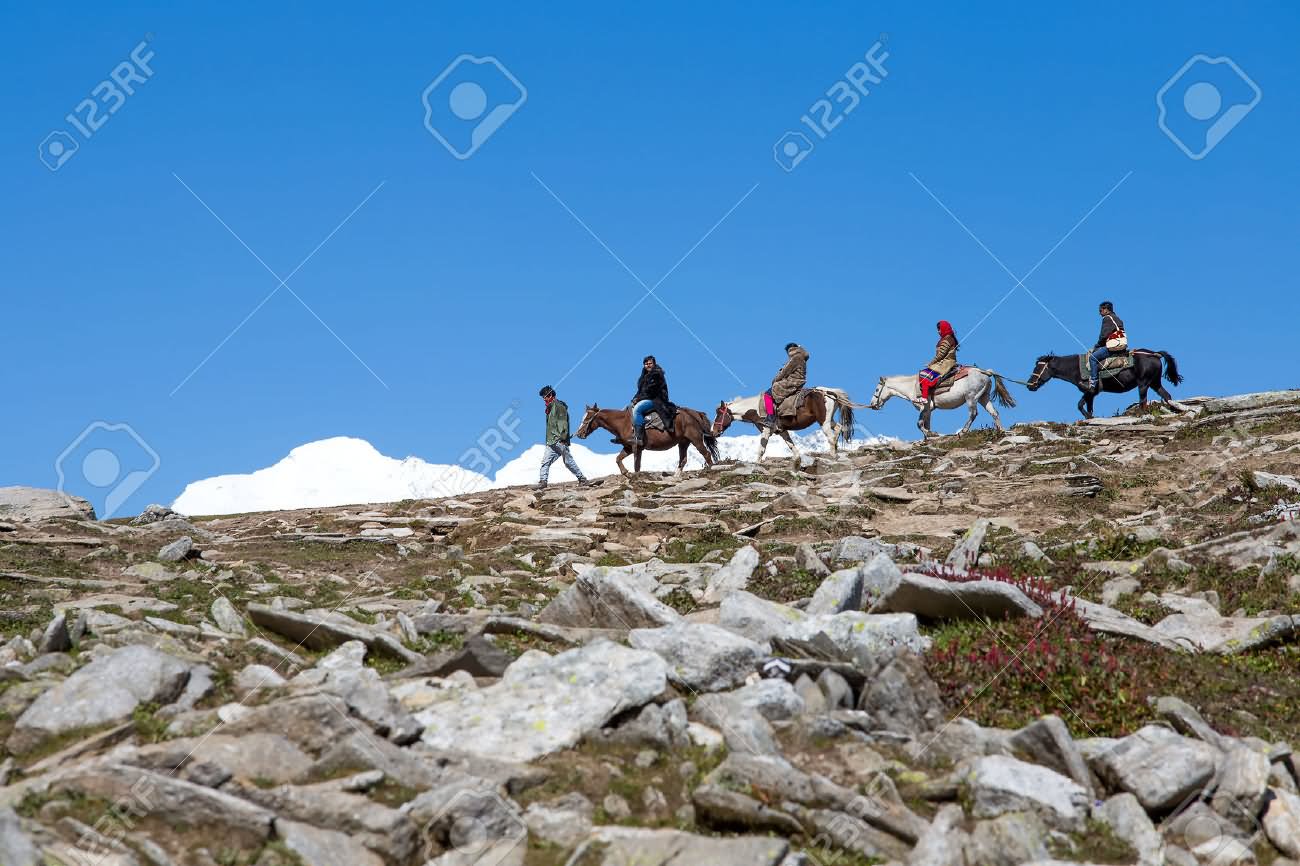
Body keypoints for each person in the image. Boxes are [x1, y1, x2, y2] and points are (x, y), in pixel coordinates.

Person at [537, 386, 591, 490]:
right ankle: (543, 481)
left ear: (551, 395)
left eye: (546, 396)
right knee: (545, 462)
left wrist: (563, 438)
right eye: (543, 397)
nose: (544, 398)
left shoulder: (559, 407)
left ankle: (582, 479)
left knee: (568, 462)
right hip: (551, 441)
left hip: (559, 440)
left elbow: (563, 423)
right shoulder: (550, 408)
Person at [631, 355, 674, 447]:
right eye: (646, 364)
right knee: (629, 408)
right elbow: (640, 391)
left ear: (654, 364)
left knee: (638, 409)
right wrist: (635, 398)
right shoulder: (643, 377)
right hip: (646, 398)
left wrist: (639, 399)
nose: (648, 365)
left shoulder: (657, 374)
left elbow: (652, 391)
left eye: (650, 363)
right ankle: (625, 435)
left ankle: (639, 438)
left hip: (657, 400)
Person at [765, 342, 809, 428]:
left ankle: (770, 419)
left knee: (767, 394)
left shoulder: (795, 358)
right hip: (798, 381)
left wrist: (775, 380)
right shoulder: (801, 357)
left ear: (789, 350)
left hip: (792, 382)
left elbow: (785, 372)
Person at [1086, 301, 1126, 393]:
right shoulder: (1117, 318)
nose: (1099, 313)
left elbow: (1104, 335)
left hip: (1113, 346)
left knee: (1092, 358)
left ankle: (1094, 381)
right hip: (1122, 345)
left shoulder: (1107, 318)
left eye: (1100, 310)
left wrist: (1097, 345)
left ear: (1106, 310)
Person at [917, 321, 959, 408]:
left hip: (946, 363)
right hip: (945, 362)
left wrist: (930, 364)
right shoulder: (948, 338)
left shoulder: (947, 339)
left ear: (944, 329)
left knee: (925, 375)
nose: (938, 331)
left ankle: (924, 397)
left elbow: (941, 355)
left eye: (939, 329)